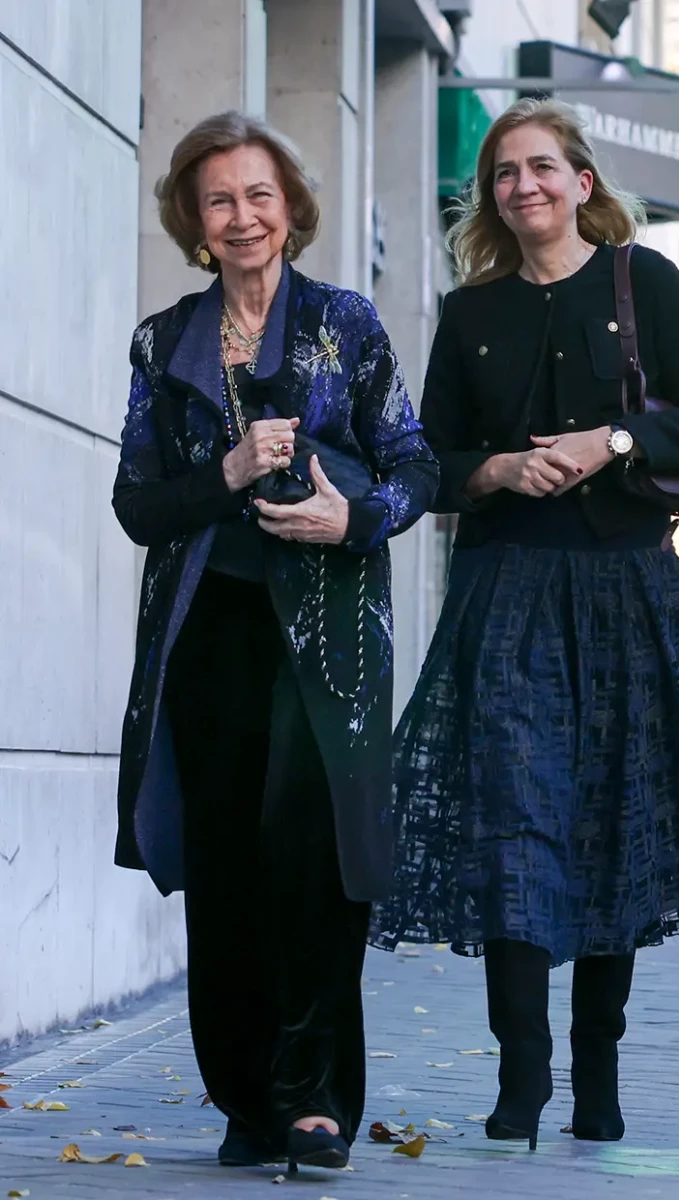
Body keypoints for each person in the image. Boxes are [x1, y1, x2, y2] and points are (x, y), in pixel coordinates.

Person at [371, 98, 679, 1151]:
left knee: (607, 823)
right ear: (490, 195)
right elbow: (426, 460)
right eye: (504, 174)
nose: (523, 186)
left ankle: (596, 1069)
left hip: (626, 590)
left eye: (542, 168)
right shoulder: (469, 312)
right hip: (506, 592)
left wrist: (610, 443)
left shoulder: (645, 284)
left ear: (582, 183)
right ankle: (520, 1076)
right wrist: (491, 468)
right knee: (512, 828)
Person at [112, 111, 437, 1174]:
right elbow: (138, 505)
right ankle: (245, 1102)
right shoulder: (164, 344)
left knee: (311, 860)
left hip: (329, 634)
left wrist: (355, 517)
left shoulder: (345, 323)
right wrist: (230, 473)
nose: (243, 217)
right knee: (226, 867)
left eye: (259, 196)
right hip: (207, 634)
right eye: (219, 200)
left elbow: (414, 465)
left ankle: (314, 1102)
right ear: (194, 222)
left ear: (290, 209)